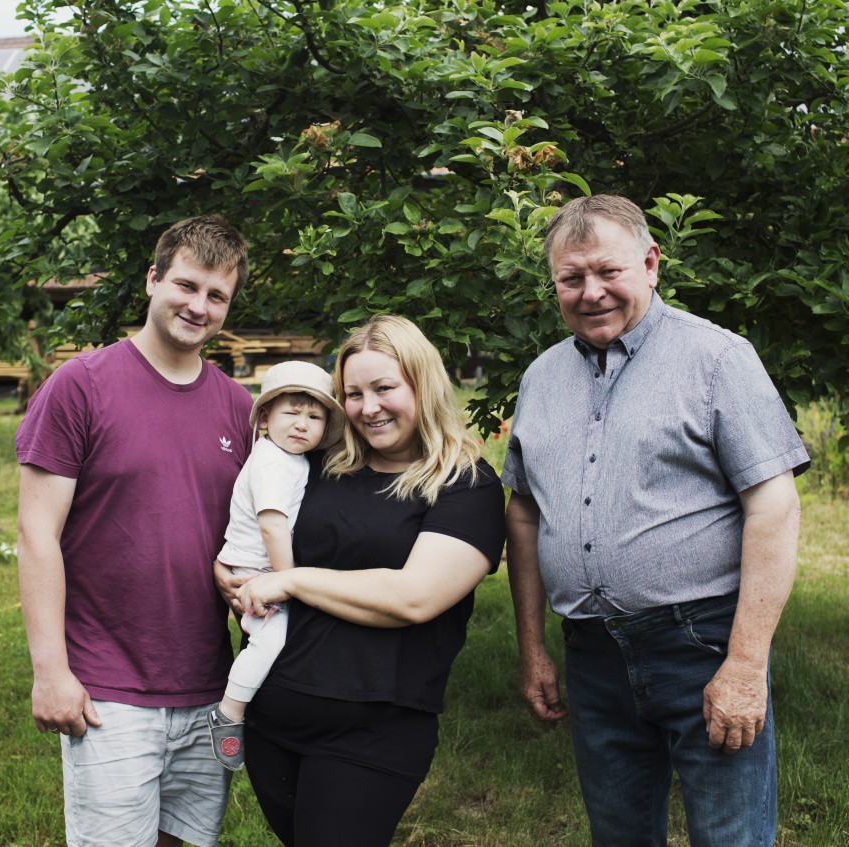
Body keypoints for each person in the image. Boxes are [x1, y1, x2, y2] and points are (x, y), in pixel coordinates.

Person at [503, 194, 809, 847]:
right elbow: (524, 513)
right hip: (590, 653)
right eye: (571, 278)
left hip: (700, 645)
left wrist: (746, 663)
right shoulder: (539, 378)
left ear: (650, 263)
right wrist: (532, 649)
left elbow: (774, 506)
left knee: (730, 835)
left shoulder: (718, 359)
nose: (591, 292)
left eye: (608, 271)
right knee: (618, 834)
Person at [214, 314, 506, 847]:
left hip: (371, 730)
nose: (368, 407)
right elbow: (259, 519)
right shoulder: (323, 464)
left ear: (423, 383)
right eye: (352, 393)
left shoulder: (465, 485)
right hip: (272, 717)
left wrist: (294, 582)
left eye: (384, 388)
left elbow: (413, 598)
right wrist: (230, 568)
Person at [15, 215, 254, 847]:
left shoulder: (240, 407)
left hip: (210, 686)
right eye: (186, 285)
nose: (198, 306)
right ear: (152, 280)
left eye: (216, 295)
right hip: (107, 687)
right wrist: (50, 672)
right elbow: (36, 533)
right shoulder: (81, 386)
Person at [207, 359, 343, 772]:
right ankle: (229, 712)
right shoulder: (271, 462)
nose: (302, 424)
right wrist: (287, 582)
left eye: (314, 416)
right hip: (258, 568)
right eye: (291, 412)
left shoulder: (291, 458)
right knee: (273, 637)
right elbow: (271, 526)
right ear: (265, 416)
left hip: (267, 567)